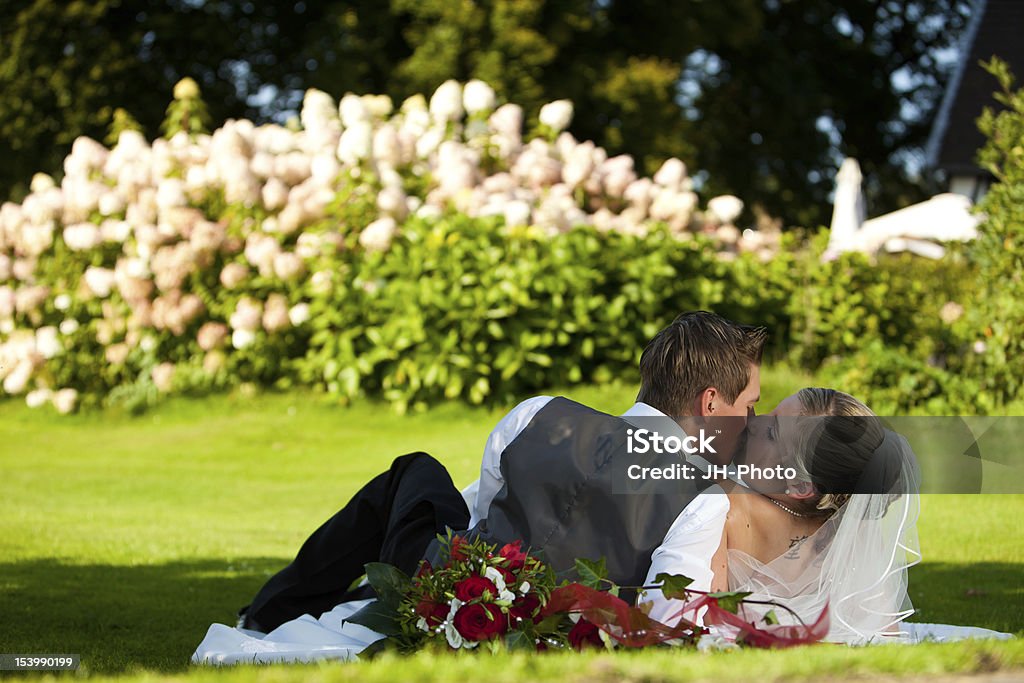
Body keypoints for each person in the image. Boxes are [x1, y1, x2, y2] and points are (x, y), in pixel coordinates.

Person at [235, 310, 765, 633]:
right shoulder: (701, 498)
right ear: (711, 403)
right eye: (750, 405)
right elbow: (665, 617)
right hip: (526, 622)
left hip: (452, 589)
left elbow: (481, 514)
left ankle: (270, 612)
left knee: (412, 474)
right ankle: (345, 601)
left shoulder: (540, 412)